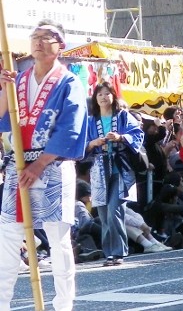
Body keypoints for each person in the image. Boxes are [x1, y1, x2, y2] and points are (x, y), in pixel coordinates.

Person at [0, 20, 89, 311]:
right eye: (35, 36)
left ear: (60, 44)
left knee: (58, 241)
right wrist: (3, 89)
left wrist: (39, 164)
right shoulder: (18, 79)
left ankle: (63, 305)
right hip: (18, 165)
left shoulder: (69, 82)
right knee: (8, 238)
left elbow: (71, 128)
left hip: (51, 165)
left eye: (46, 37)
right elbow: (2, 117)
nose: (38, 41)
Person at [85, 81, 145, 265]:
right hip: (99, 169)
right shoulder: (89, 121)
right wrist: (94, 143)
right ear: (96, 98)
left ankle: (118, 252)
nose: (104, 97)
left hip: (120, 167)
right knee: (103, 213)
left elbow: (137, 134)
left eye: (107, 93)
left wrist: (121, 137)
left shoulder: (123, 116)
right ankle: (109, 252)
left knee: (114, 210)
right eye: (100, 94)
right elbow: (82, 145)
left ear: (113, 96)